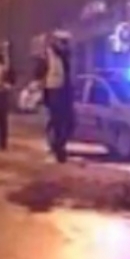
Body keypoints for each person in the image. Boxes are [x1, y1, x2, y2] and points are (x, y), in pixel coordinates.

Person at [40, 30, 75, 163]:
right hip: (54, 91)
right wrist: (45, 93)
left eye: (66, 42)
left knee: (70, 122)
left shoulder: (67, 56)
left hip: (65, 91)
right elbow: (41, 73)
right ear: (57, 42)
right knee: (58, 122)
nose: (65, 45)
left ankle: (59, 146)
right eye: (63, 42)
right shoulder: (50, 55)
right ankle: (59, 151)